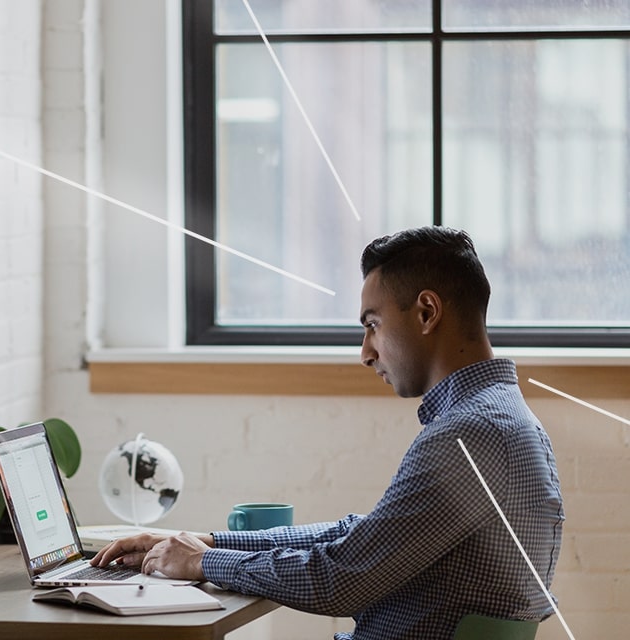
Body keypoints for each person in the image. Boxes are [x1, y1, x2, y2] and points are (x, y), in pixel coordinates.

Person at [91, 226, 564, 639]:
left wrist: (201, 564)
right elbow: (360, 536)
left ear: (426, 313)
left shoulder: (465, 437)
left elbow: (340, 579)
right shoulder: (507, 422)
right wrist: (211, 541)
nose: (365, 352)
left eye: (373, 326)